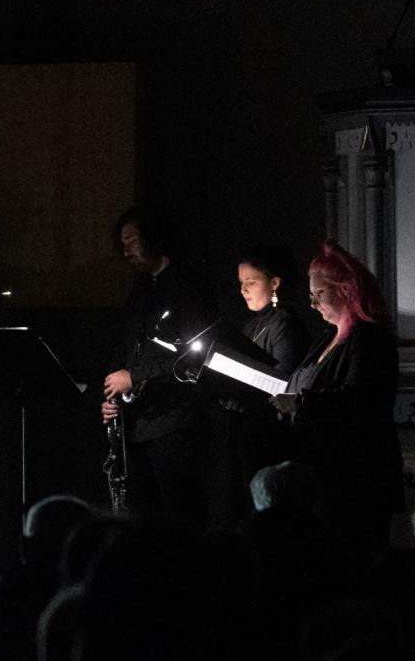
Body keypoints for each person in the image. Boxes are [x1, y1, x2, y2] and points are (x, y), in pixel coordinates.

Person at [270, 240, 404, 557]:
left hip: (354, 482)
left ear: (345, 291)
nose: (313, 305)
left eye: (319, 295)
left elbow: (360, 400)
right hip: (320, 476)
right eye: (311, 296)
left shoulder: (370, 338)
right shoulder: (329, 337)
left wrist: (300, 404)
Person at [100, 207, 216, 530]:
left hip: (176, 424)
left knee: (181, 520)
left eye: (133, 241)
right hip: (139, 425)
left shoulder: (189, 287)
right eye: (123, 243)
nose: (126, 251)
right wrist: (111, 392)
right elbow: (123, 346)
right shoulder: (139, 292)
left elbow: (196, 356)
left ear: (154, 238)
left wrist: (133, 377)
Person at [213, 242, 317, 523]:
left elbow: (283, 379)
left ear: (274, 284)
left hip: (264, 434)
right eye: (240, 282)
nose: (243, 289)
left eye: (251, 281)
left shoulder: (284, 323)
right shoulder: (251, 324)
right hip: (240, 428)